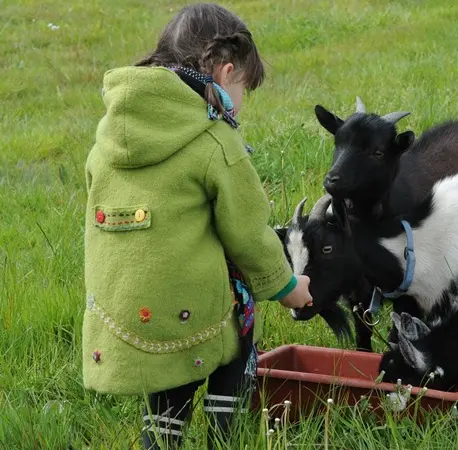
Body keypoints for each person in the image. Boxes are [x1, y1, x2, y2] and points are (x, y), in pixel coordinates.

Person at [81, 3, 312, 449]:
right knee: (239, 310)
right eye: (244, 88)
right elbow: (247, 234)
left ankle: (161, 435)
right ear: (226, 74)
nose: (241, 103)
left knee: (173, 357)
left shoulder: (108, 136)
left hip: (122, 312)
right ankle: (226, 432)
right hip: (187, 312)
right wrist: (286, 286)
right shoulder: (214, 140)